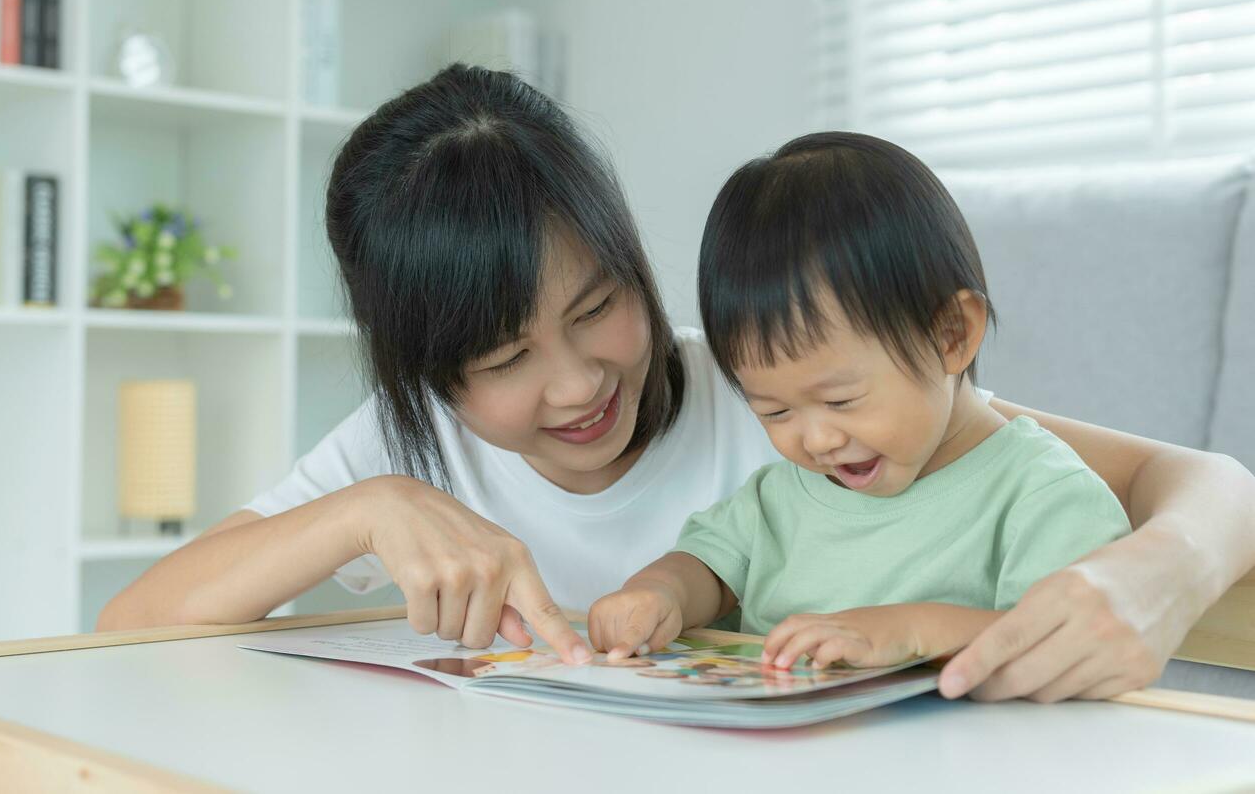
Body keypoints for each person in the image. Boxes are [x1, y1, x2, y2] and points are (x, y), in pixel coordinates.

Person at [98, 66, 1255, 702]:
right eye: (503, 362)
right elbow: (134, 621)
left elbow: (1188, 475)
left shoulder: (776, 395)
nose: (575, 381)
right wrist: (360, 509)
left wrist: (1162, 569)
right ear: (431, 378)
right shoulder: (403, 446)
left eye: (600, 304)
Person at [587, 132, 1131, 675]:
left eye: (841, 400)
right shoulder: (779, 501)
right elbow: (705, 567)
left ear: (951, 335)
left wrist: (912, 631)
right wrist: (658, 593)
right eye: (774, 411)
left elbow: (1072, 646)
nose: (817, 440)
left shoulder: (1043, 495)